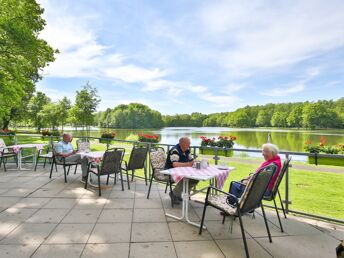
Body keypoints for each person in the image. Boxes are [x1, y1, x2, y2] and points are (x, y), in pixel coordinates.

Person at [165, 137, 198, 204]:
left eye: (189, 143)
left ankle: (178, 193)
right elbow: (175, 164)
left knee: (195, 179)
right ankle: (174, 194)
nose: (189, 145)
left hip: (183, 172)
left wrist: (199, 162)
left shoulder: (186, 150)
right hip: (170, 173)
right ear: (181, 143)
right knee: (185, 178)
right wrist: (189, 164)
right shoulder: (175, 150)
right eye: (188, 143)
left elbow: (192, 161)